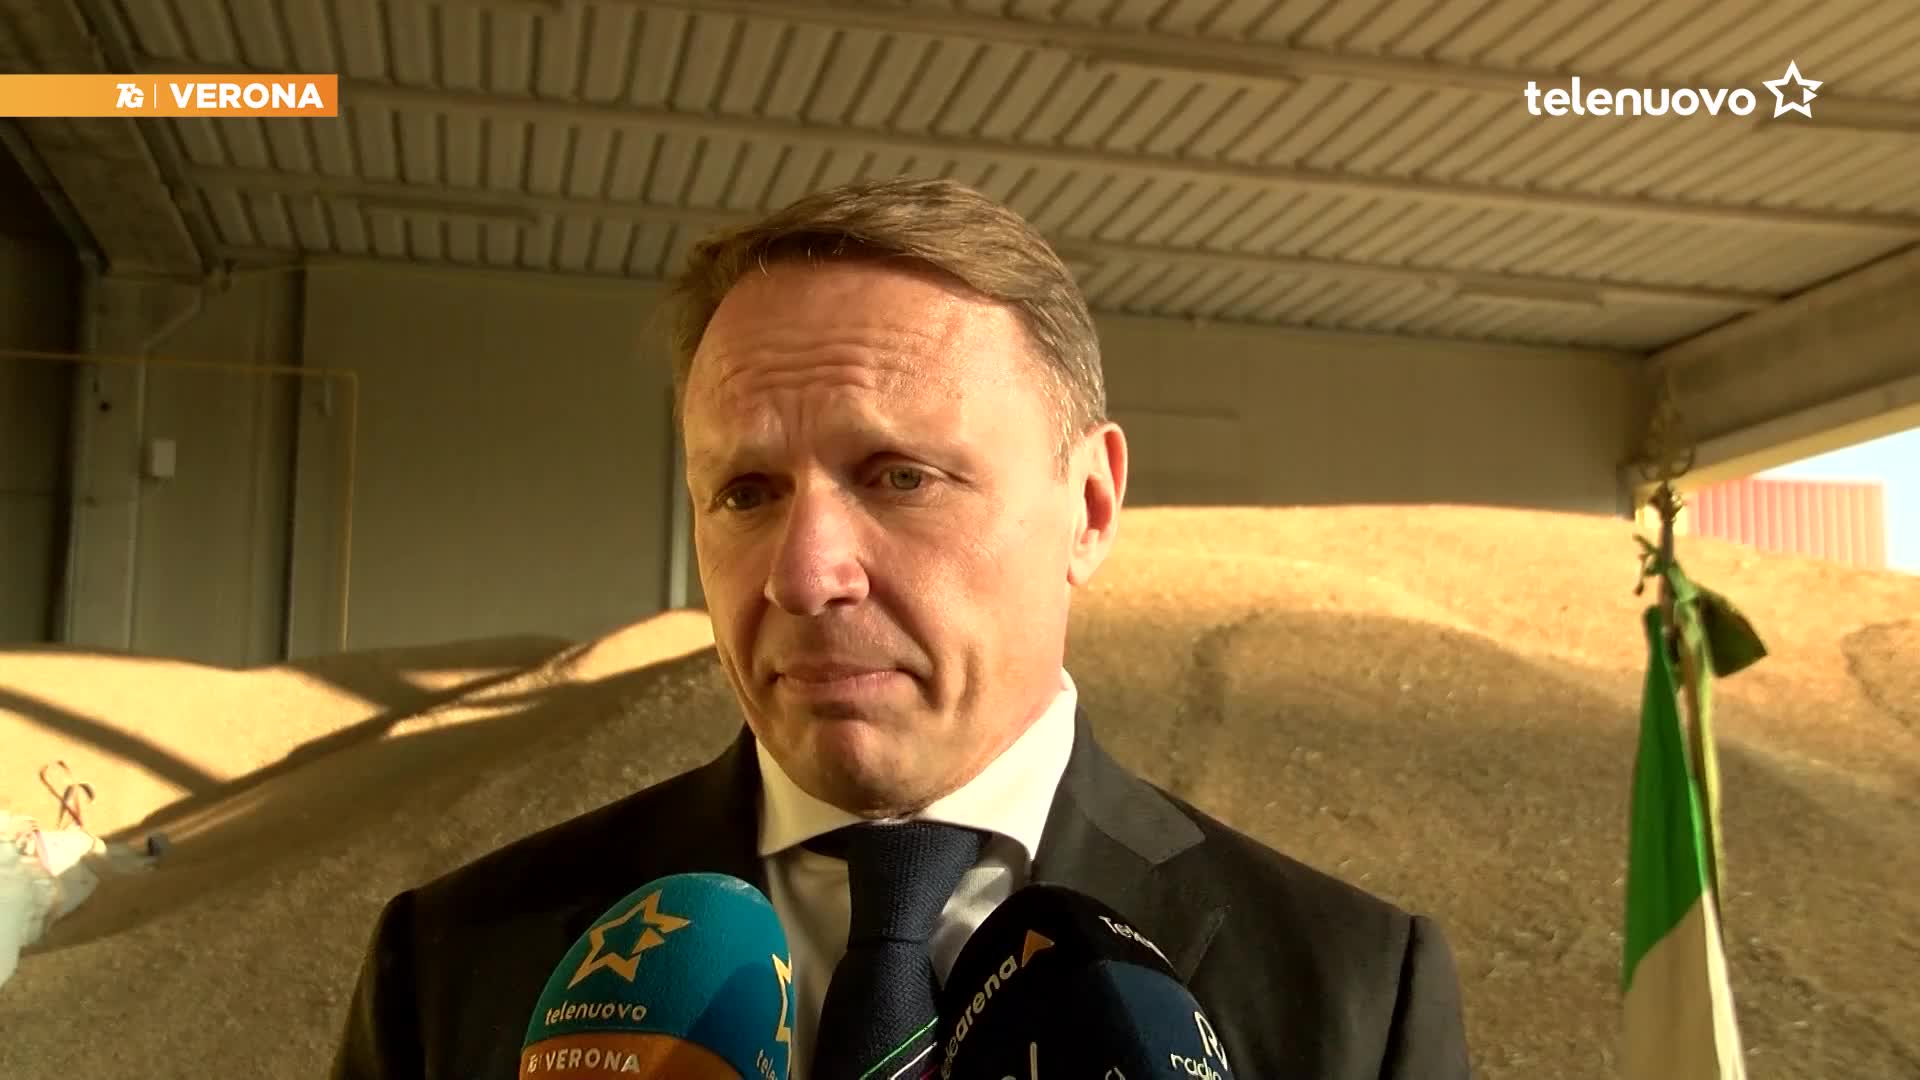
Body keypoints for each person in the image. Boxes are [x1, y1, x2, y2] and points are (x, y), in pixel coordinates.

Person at [327, 178, 1471, 1079]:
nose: (804, 575)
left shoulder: (1352, 987)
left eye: (901, 477)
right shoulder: (454, 962)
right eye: (746, 493)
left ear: (1089, 506)